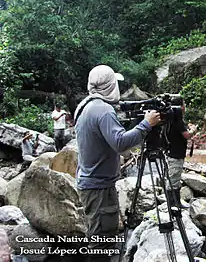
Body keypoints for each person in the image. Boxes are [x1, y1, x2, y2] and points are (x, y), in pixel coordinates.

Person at [74, 65, 160, 262]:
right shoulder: (103, 110)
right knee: (102, 242)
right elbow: (120, 142)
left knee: (99, 237)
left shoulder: (86, 105)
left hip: (91, 183)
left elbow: (107, 141)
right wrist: (147, 124)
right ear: (110, 85)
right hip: (99, 187)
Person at [165, 104, 194, 206]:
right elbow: (187, 135)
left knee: (174, 179)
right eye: (184, 104)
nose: (185, 107)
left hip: (171, 153)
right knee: (174, 180)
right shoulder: (178, 122)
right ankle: (173, 204)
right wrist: (194, 130)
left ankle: (174, 203)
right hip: (176, 155)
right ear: (180, 107)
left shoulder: (170, 121)